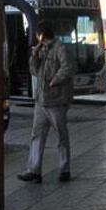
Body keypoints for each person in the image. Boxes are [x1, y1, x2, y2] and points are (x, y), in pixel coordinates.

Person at [17, 21, 75, 184]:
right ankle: (34, 170)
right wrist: (34, 55)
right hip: (41, 100)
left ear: (41, 35)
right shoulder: (41, 50)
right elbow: (35, 72)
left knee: (61, 135)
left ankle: (65, 169)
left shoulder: (60, 48)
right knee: (37, 135)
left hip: (56, 100)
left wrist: (54, 81)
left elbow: (68, 67)